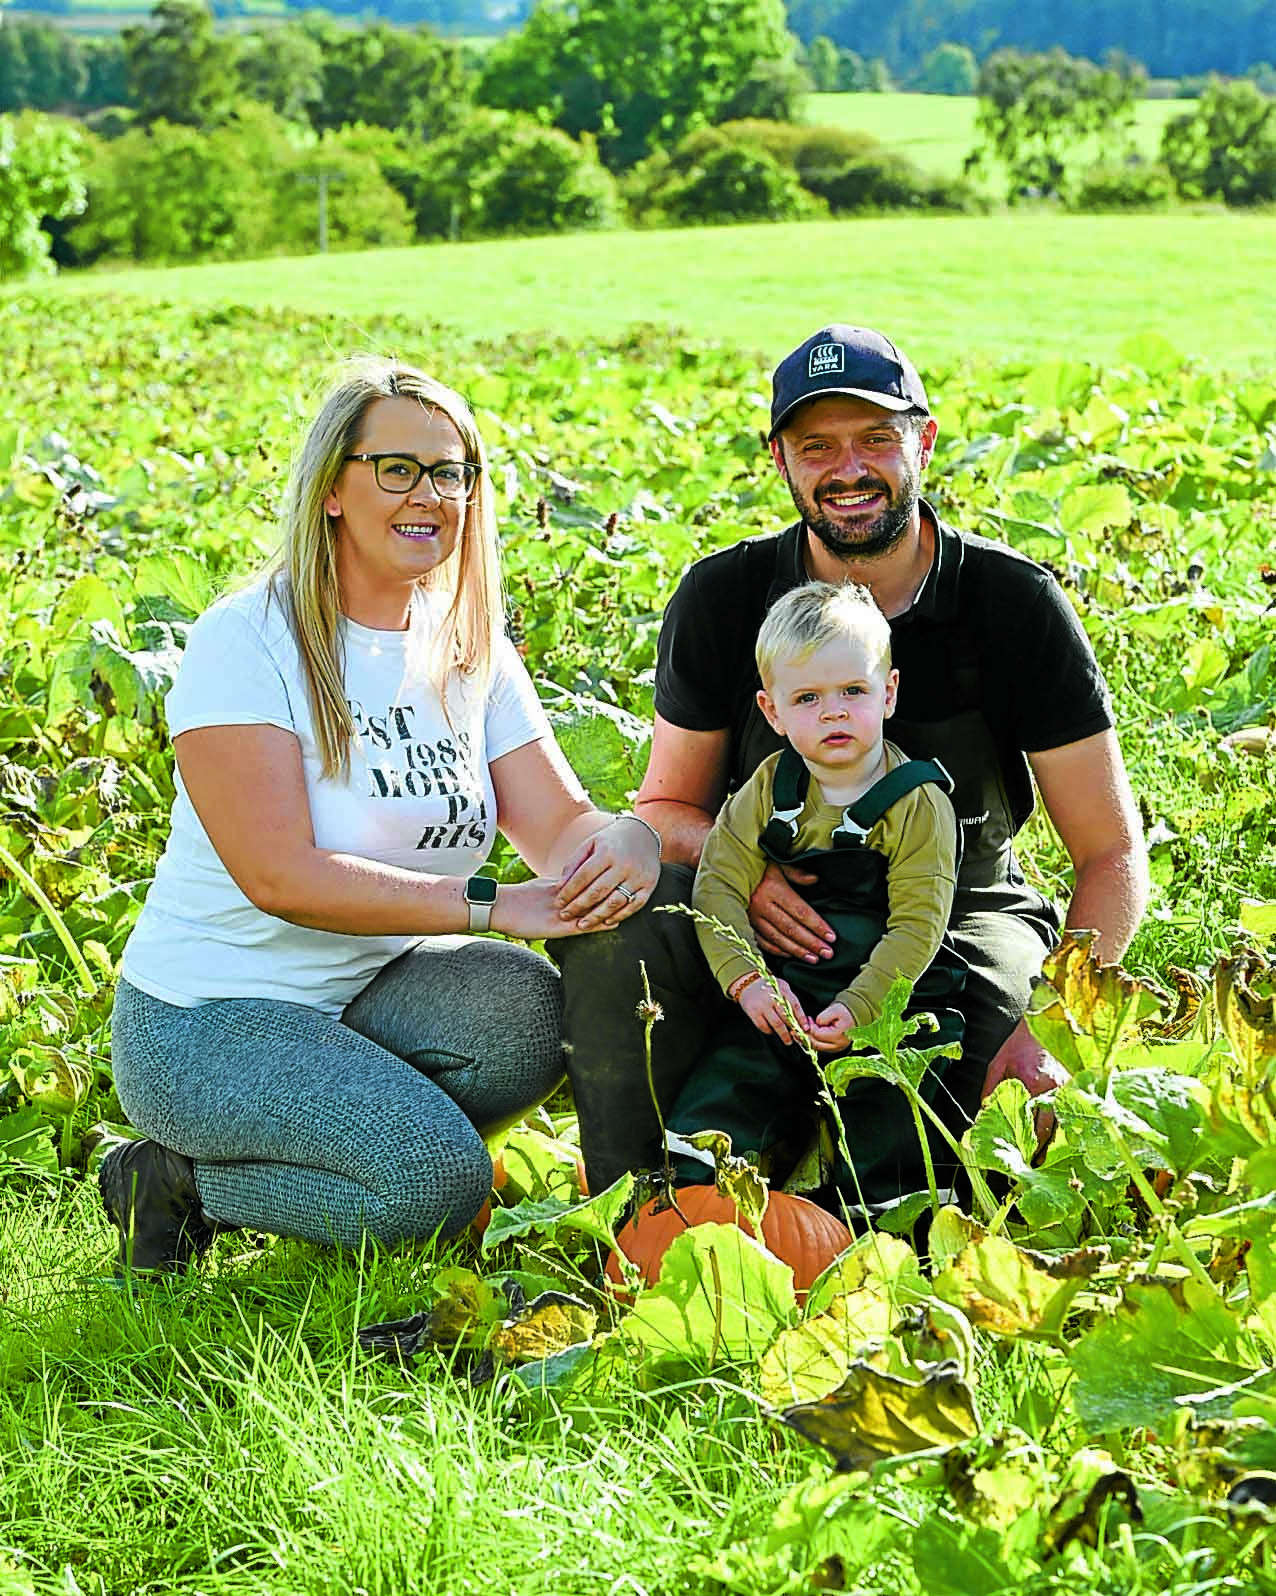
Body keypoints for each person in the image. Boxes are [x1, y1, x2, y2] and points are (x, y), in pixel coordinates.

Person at [552, 323, 1148, 1205]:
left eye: (876, 438)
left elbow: (1111, 852)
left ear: (925, 440)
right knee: (618, 931)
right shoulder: (723, 596)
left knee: (977, 1132)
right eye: (817, 446)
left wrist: (1054, 1025)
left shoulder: (1010, 603)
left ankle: (869, 1215)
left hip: (957, 907)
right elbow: (667, 806)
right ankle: (644, 1206)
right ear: (781, 460)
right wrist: (745, 877)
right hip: (767, 896)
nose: (849, 469)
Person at [100, 357, 660, 1273]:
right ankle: (172, 1180)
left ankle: (351, 1135)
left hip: (365, 993)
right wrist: (494, 906)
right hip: (207, 1018)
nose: (430, 495)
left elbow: (560, 831)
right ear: (331, 488)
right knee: (435, 1188)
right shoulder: (246, 640)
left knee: (534, 1015)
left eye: (452, 473)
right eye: (397, 469)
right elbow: (279, 876)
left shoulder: (468, 646)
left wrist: (637, 835)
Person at [664, 580, 965, 1190]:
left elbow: (917, 927)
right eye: (807, 698)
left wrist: (861, 1009)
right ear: (771, 712)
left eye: (853, 691)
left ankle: (876, 1221)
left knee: (893, 1111)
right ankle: (692, 1191)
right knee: (729, 1082)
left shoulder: (919, 804)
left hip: (892, 996)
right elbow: (719, 887)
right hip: (785, 990)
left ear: (889, 693)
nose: (833, 712)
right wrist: (749, 982)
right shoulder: (771, 788)